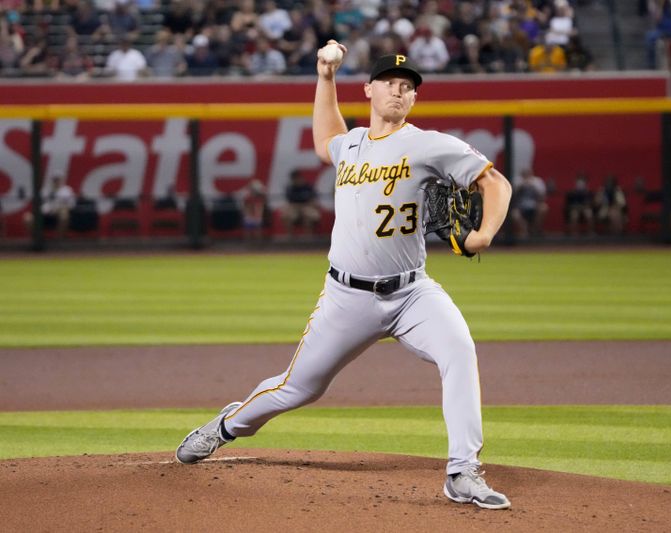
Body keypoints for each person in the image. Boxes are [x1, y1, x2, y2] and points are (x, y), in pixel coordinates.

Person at [175, 47, 513, 511]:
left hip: (413, 292)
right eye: (391, 82)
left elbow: (496, 184)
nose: (400, 90)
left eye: (408, 85)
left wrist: (484, 235)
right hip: (346, 297)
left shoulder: (431, 144)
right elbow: (325, 138)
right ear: (369, 90)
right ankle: (226, 427)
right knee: (298, 387)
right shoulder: (350, 144)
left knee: (459, 350)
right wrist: (325, 75)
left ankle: (462, 471)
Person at [280, 169, 320, 236]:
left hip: (306, 206)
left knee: (309, 217)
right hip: (294, 207)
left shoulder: (308, 187)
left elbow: (313, 199)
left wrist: (310, 203)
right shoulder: (290, 188)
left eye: (297, 178)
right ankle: (290, 238)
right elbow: (289, 200)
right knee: (286, 216)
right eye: (294, 179)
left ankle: (309, 239)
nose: (296, 180)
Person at [511, 169, 549, 239]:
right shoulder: (517, 181)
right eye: (525, 173)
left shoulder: (537, 181)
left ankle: (534, 230)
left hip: (535, 206)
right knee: (514, 214)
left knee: (544, 208)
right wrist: (523, 185)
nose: (526, 175)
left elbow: (542, 196)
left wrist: (532, 185)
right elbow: (513, 194)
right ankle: (524, 231)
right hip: (520, 207)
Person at [242, 178, 268, 243]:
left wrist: (261, 193)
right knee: (248, 227)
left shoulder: (261, 197)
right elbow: (245, 208)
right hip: (249, 215)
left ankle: (258, 242)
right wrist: (248, 216)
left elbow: (262, 205)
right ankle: (248, 242)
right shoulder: (247, 197)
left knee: (257, 228)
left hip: (258, 216)